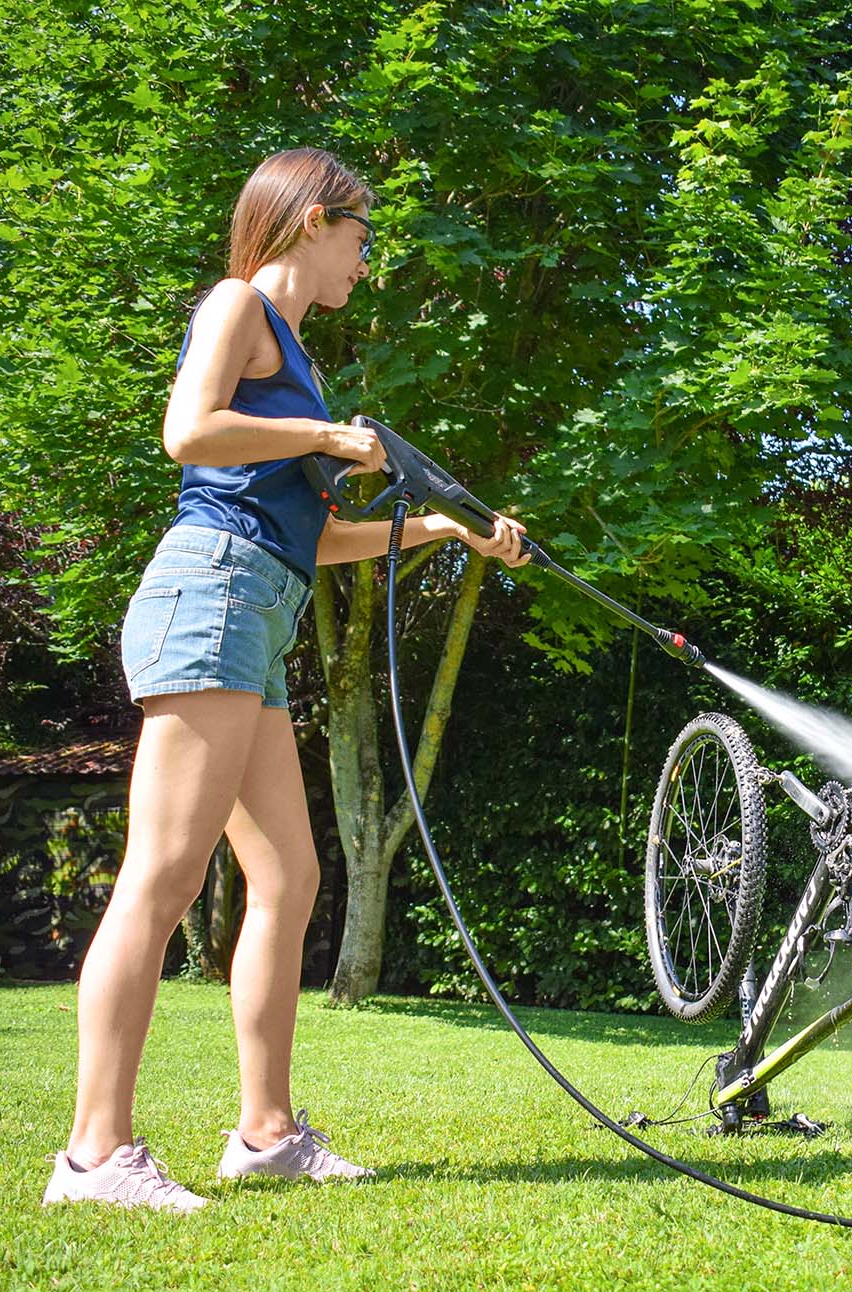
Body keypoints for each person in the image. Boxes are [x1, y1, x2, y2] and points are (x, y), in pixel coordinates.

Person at [43, 148, 527, 1213]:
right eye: (361, 237)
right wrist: (322, 435)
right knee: (162, 878)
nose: (366, 261)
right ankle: (92, 1157)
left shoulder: (299, 356)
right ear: (313, 220)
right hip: (209, 595)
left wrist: (446, 527)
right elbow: (187, 432)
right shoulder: (238, 305)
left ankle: (264, 1134)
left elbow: (307, 539)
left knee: (290, 879)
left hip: (259, 609)